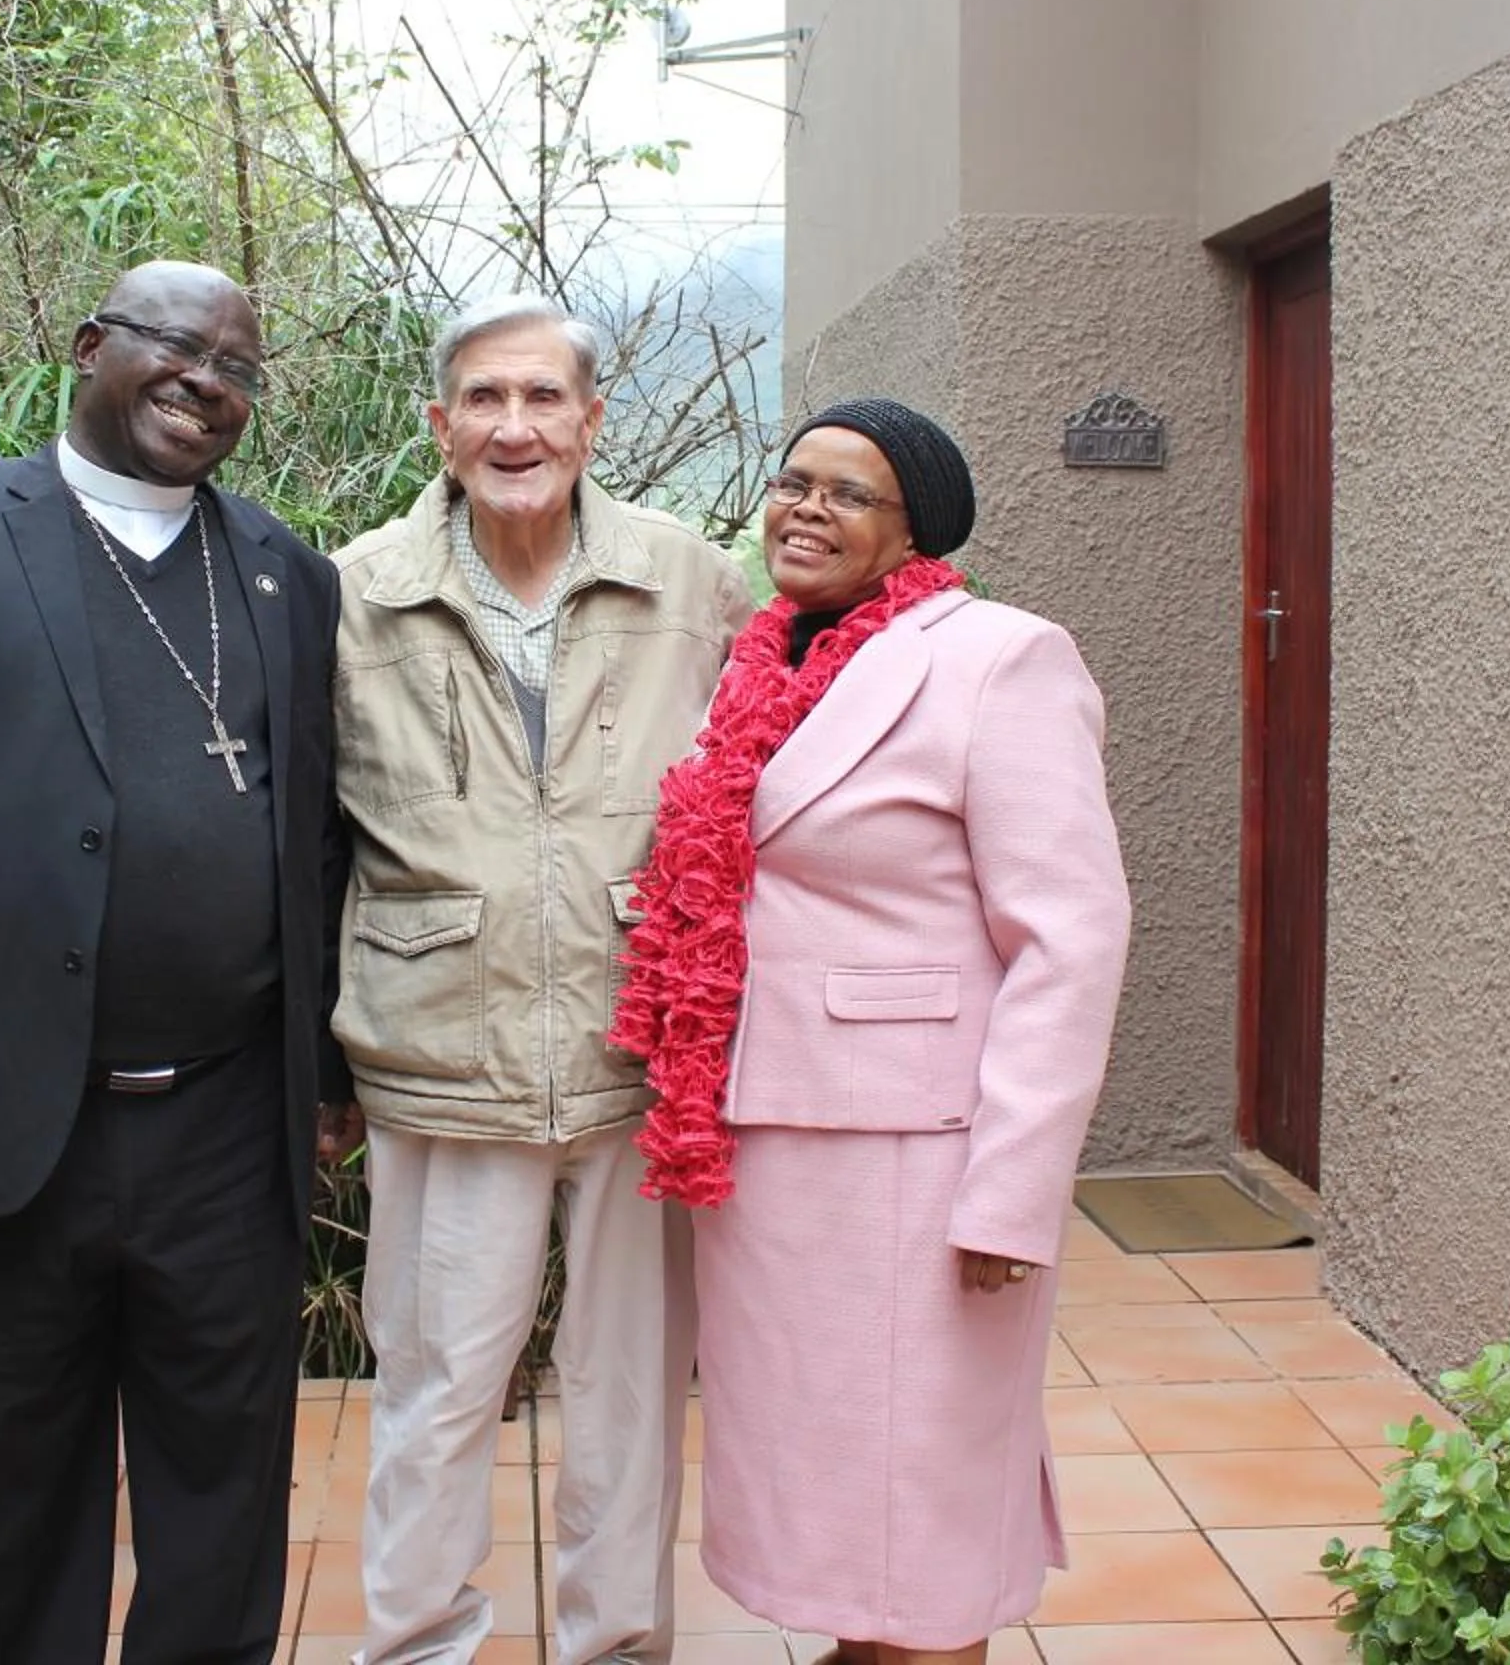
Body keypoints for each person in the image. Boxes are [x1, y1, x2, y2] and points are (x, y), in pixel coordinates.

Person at [0, 259, 354, 1665]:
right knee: (14, 1489)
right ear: (90, 343)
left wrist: (326, 1073)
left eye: (236, 365)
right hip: (10, 1103)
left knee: (223, 1495)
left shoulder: (286, 572)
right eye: (173, 344)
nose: (204, 379)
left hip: (230, 1120)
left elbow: (316, 845)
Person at [611, 397, 1131, 1662]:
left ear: (917, 533)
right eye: (794, 481)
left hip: (920, 1156)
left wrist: (1011, 1196)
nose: (805, 507)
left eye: (848, 493)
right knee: (843, 1496)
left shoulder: (1004, 657)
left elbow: (1070, 940)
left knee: (921, 1502)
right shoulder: (763, 658)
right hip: (774, 1145)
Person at [329, 295, 752, 1665]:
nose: (517, 428)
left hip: (642, 1057)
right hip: (440, 1053)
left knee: (628, 1395)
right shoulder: (355, 591)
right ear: (440, 425)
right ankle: (415, 1648)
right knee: (440, 1389)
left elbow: (769, 771)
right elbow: (301, 831)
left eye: (545, 399)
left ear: (593, 420)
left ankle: (617, 1647)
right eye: (486, 400)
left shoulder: (689, 576)